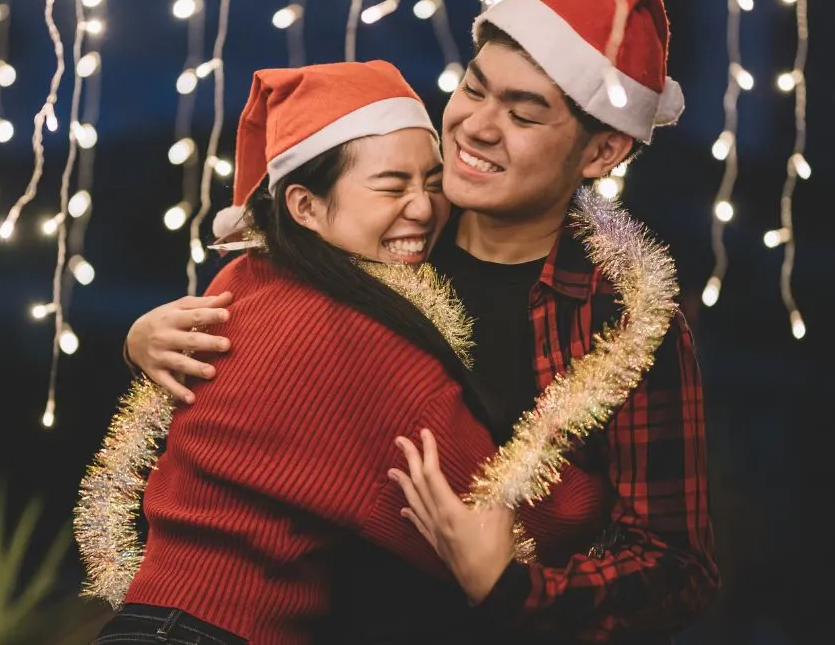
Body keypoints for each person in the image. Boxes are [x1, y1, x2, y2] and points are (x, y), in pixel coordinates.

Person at [125, 0, 719, 643]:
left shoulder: (622, 326)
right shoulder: (378, 244)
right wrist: (147, 340)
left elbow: (678, 570)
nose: (477, 126)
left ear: (604, 149)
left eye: (523, 114)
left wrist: (518, 588)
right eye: (473, 88)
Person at [91, 60, 612, 645]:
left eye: (433, 182)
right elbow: (542, 517)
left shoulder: (242, 279)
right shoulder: (356, 337)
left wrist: (136, 342)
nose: (423, 207)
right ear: (305, 206)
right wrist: (608, 432)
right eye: (392, 186)